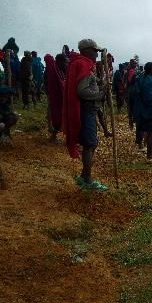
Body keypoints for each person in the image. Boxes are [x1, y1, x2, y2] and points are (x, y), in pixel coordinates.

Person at [63, 39, 108, 190]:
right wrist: (100, 93)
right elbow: (82, 91)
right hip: (86, 110)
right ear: (87, 50)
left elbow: (87, 85)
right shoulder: (83, 64)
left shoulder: (80, 63)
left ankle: (84, 176)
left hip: (86, 109)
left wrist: (101, 84)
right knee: (90, 144)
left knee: (90, 143)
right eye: (94, 50)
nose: (96, 53)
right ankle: (87, 180)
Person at [133, 62, 152, 163]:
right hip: (149, 111)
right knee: (150, 133)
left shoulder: (149, 80)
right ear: (151, 70)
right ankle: (149, 157)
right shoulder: (148, 81)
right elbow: (150, 98)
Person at [44, 53, 67, 143]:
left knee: (60, 116)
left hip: (60, 97)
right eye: (65, 62)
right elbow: (49, 83)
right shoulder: (52, 71)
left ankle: (53, 134)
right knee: (56, 115)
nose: (66, 64)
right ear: (60, 62)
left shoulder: (60, 70)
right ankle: (52, 133)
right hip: (54, 97)